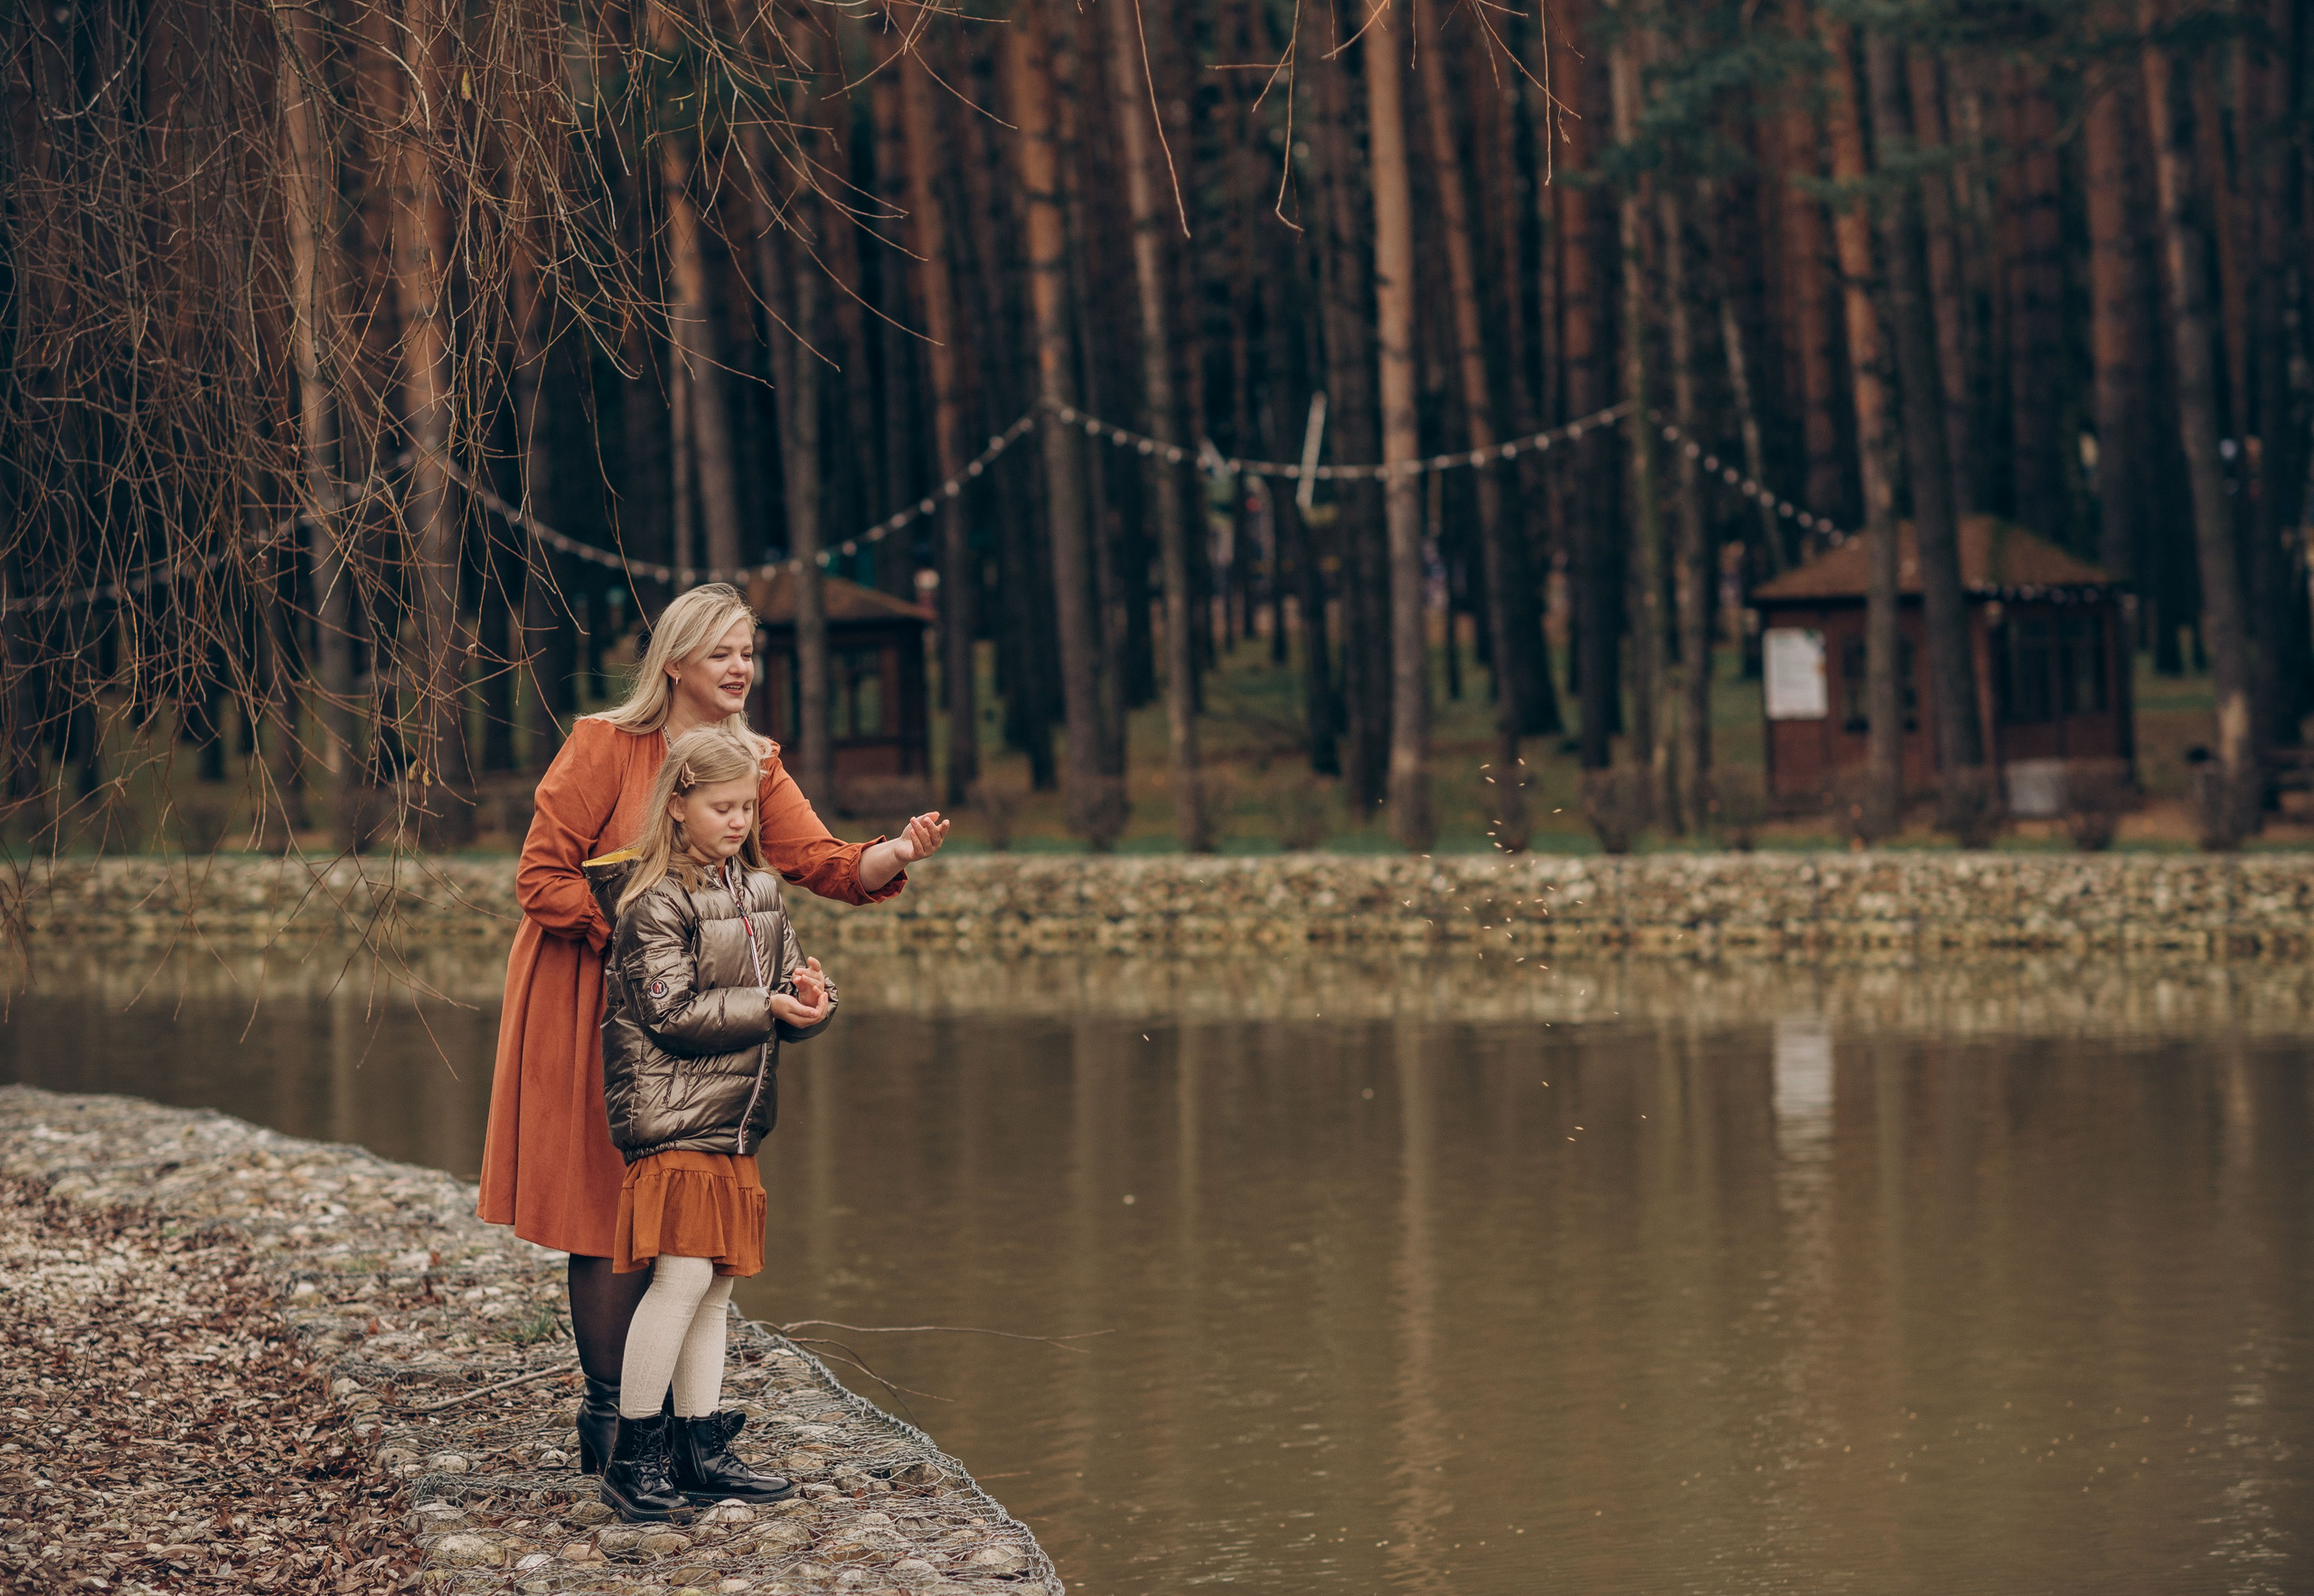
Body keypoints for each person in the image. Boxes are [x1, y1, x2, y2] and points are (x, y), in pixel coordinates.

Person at [476, 583, 947, 1477]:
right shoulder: (603, 745)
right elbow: (540, 879)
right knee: (604, 1199)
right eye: (724, 652)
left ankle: (674, 1431)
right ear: (677, 662)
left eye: (749, 651)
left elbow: (822, 860)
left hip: (693, 1011)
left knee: (687, 1209)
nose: (741, 667)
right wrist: (650, 937)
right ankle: (614, 1422)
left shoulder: (753, 760)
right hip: (590, 991)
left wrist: (896, 853)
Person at [578, 726, 831, 1521]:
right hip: (672, 1116)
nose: (738, 820)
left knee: (716, 1282)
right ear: (678, 805)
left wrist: (810, 1004)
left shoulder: (760, 891)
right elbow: (672, 1013)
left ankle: (699, 1448)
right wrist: (767, 1005)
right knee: (681, 1276)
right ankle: (634, 1457)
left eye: (747, 807)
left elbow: (779, 993)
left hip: (735, 1119)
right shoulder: (653, 900)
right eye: (721, 806)